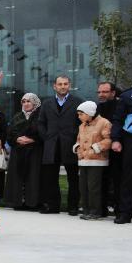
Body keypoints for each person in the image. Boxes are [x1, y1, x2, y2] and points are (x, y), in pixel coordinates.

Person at [37, 75, 82, 215]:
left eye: (65, 84)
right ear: (54, 86)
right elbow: (41, 122)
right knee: (50, 177)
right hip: (51, 145)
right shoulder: (47, 103)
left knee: (73, 178)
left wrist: (76, 138)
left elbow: (83, 122)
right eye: (60, 84)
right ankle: (53, 206)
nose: (63, 86)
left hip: (71, 144)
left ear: (69, 85)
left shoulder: (78, 102)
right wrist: (46, 137)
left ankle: (73, 207)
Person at [110, 70, 132, 224]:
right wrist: (115, 139)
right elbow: (118, 119)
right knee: (129, 178)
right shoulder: (128, 96)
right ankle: (125, 213)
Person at [2, 93, 42, 210]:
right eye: (23, 102)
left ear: (34, 103)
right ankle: (18, 202)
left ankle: (32, 203)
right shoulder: (17, 116)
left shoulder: (40, 116)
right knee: (17, 177)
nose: (26, 104)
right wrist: (17, 139)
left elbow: (44, 132)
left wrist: (32, 139)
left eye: (28, 101)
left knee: (33, 177)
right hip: (18, 152)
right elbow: (9, 133)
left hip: (34, 152)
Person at [73, 101, 112, 220]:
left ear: (89, 113)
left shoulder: (104, 123)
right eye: (78, 114)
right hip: (83, 160)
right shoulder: (82, 125)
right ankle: (86, 210)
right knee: (83, 186)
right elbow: (79, 140)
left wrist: (95, 148)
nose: (79, 117)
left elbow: (108, 140)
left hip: (97, 160)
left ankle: (95, 211)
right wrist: (77, 148)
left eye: (81, 114)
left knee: (93, 187)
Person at [96, 81, 121, 215]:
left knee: (118, 179)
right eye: (99, 92)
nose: (101, 94)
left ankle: (119, 208)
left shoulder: (121, 107)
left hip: (117, 149)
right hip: (100, 150)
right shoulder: (97, 109)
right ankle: (102, 208)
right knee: (101, 179)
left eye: (105, 92)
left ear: (113, 93)